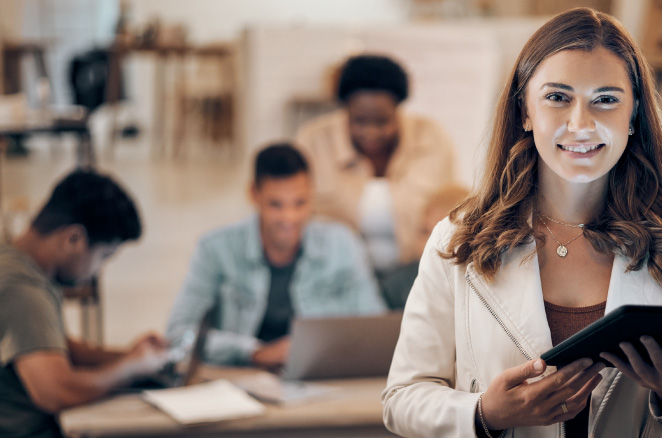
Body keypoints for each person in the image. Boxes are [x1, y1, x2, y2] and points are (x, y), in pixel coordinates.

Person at [382, 8, 662, 438]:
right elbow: (402, 399)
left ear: (634, 116)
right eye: (557, 97)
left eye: (606, 99)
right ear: (525, 111)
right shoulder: (458, 240)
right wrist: (485, 414)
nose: (580, 124)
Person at [166, 143, 386, 370]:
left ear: (312, 193)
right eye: (276, 205)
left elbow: (374, 331)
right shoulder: (215, 248)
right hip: (242, 377)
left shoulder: (343, 244)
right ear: (254, 194)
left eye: (300, 203)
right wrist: (254, 352)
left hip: (323, 378)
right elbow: (178, 335)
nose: (289, 218)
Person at [0, 170, 169, 438]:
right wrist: (129, 368)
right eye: (103, 256)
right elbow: (56, 392)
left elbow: (55, 347)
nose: (97, 271)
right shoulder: (22, 289)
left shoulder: (16, 263)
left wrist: (133, 356)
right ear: (74, 239)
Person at [295, 54, 456, 273]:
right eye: (359, 121)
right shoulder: (313, 142)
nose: (370, 132)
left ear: (398, 108)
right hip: (336, 274)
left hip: (417, 271)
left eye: (382, 122)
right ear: (345, 110)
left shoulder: (431, 138)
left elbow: (451, 211)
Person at [380, 183, 469, 310]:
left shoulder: (480, 288)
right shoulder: (396, 286)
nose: (432, 244)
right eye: (425, 232)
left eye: (444, 237)